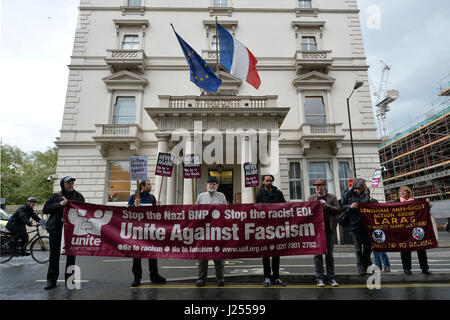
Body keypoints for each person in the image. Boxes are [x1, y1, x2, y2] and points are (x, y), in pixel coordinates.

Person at [43, 176, 85, 290]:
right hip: (56, 229)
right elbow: (45, 209)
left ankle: (70, 281)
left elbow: (84, 210)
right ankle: (51, 281)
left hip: (71, 230)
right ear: (63, 184)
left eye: (72, 183)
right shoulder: (56, 196)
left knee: (71, 256)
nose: (70, 185)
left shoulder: (78, 196)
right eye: (68, 183)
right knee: (54, 256)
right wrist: (60, 204)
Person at [128, 179, 166, 287]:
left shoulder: (152, 197)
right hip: (137, 231)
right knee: (137, 256)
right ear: (142, 186)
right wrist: (134, 206)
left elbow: (156, 214)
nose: (150, 186)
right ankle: (137, 278)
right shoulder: (133, 197)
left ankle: (154, 275)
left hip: (150, 230)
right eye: (148, 185)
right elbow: (127, 213)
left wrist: (158, 207)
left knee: (152, 254)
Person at [195, 175, 227, 287]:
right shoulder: (201, 196)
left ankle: (220, 278)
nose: (212, 185)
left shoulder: (221, 196)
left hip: (217, 231)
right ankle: (201, 279)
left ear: (217, 185)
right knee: (202, 257)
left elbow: (226, 211)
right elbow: (195, 211)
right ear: (206, 185)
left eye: (214, 183)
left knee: (218, 256)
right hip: (203, 231)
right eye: (210, 183)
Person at [255, 174, 287, 287]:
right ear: (263, 182)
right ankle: (267, 277)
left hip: (276, 227)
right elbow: (255, 208)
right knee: (266, 254)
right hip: (264, 228)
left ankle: (276, 277)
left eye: (271, 180)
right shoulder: (259, 194)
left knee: (276, 254)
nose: (269, 182)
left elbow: (285, 206)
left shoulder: (278, 193)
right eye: (267, 181)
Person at [307, 179, 340, 287]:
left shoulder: (331, 197)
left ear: (325, 186)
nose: (317, 187)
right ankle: (319, 279)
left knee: (329, 255)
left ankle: (331, 278)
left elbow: (338, 210)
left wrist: (326, 205)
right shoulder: (311, 198)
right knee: (317, 255)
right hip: (316, 230)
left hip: (328, 229)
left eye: (320, 185)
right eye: (316, 185)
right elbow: (306, 212)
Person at [395, 186, 431, 275]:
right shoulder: (396, 202)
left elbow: (424, 212)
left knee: (421, 248)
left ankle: (424, 268)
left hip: (415, 228)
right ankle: (406, 268)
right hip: (403, 229)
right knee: (405, 249)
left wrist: (426, 204)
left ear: (408, 192)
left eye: (404, 191)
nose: (402, 193)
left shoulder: (415, 201)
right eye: (400, 191)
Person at [339, 178, 372, 275]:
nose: (365, 186)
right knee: (358, 248)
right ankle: (360, 267)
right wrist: (350, 206)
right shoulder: (348, 194)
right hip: (354, 225)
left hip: (365, 225)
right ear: (360, 186)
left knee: (367, 247)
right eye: (364, 185)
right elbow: (341, 206)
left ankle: (367, 265)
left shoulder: (365, 194)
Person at [366, 189, 391, 273]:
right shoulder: (362, 202)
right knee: (375, 250)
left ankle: (386, 266)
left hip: (377, 228)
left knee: (381, 249)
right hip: (369, 228)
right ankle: (378, 266)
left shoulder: (373, 201)